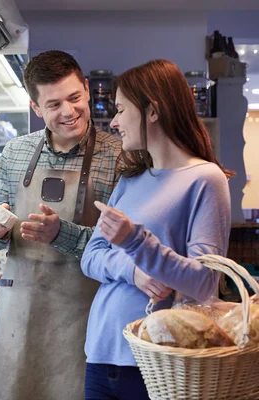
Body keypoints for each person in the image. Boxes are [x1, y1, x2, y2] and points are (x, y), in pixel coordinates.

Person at [81, 59, 233, 400]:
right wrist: (134, 271)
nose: (114, 121)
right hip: (101, 352)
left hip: (160, 359)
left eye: (121, 110)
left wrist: (136, 242)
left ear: (153, 111)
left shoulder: (206, 179)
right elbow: (90, 258)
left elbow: (205, 283)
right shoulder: (131, 179)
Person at [0, 50, 123, 400]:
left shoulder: (120, 155)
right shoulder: (15, 152)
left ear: (87, 89)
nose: (68, 112)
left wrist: (62, 234)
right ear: (35, 107)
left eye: (75, 98)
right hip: (20, 314)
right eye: (54, 104)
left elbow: (120, 246)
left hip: (86, 314)